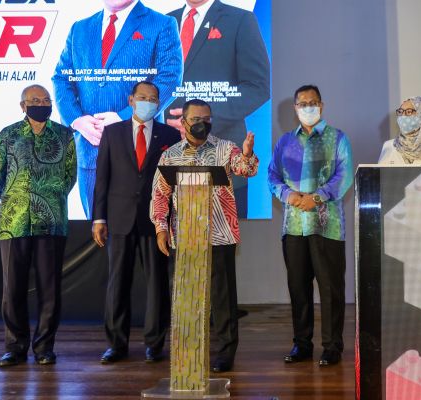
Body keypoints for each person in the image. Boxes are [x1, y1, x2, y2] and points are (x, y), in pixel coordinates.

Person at [150, 99, 258, 372]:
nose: (202, 124)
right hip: (184, 236)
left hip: (219, 235)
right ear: (183, 122)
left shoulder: (226, 149)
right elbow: (160, 195)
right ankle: (189, 350)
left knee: (222, 297)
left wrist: (247, 155)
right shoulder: (170, 155)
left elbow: (246, 170)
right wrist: (161, 228)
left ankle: (225, 352)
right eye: (196, 119)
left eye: (206, 119)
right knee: (187, 296)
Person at [52, 0, 183, 219]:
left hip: (140, 149)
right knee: (97, 230)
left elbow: (169, 80)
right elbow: (61, 78)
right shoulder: (80, 28)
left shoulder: (162, 24)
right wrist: (76, 120)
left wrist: (127, 118)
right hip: (91, 150)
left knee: (144, 230)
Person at [92, 81, 181, 364]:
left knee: (157, 284)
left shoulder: (170, 135)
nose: (147, 102)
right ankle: (116, 345)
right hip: (119, 219)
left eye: (153, 99)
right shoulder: (112, 132)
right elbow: (102, 178)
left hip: (156, 222)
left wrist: (170, 220)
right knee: (118, 283)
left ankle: (155, 344)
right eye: (142, 97)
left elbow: (174, 181)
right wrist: (99, 217)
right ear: (131, 100)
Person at [0, 84, 77, 367]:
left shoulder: (64, 135)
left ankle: (44, 347)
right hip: (14, 222)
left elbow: (70, 176)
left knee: (49, 288)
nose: (41, 104)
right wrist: (17, 198)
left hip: (51, 222)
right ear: (23, 106)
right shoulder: (8, 135)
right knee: (12, 288)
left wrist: (49, 196)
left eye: (45, 100)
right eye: (35, 100)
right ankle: (15, 347)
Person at [268, 85, 353, 366]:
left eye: (313, 102)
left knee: (330, 289)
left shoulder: (337, 138)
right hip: (293, 227)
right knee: (298, 288)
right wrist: (288, 195)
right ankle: (302, 344)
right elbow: (272, 175)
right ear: (295, 108)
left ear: (322, 105)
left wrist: (316, 197)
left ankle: (332, 346)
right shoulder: (284, 142)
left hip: (327, 226)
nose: (308, 107)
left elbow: (344, 175)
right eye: (302, 103)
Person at [165, 0, 270, 217]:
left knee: (223, 237)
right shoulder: (166, 21)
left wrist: (206, 121)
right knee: (173, 236)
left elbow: (257, 87)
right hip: (171, 157)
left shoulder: (240, 20)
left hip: (221, 158)